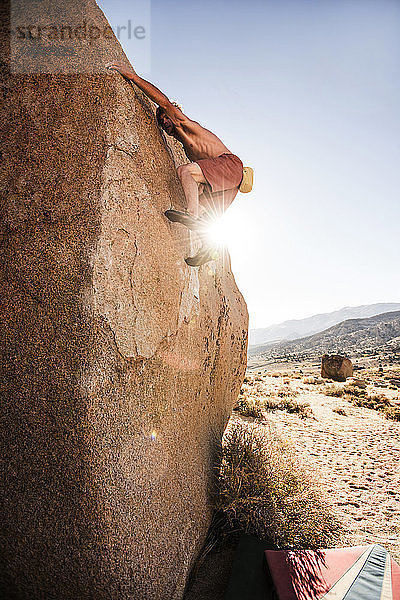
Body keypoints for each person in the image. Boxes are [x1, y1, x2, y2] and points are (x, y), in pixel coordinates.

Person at [107, 62, 244, 266]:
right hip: (228, 184)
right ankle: (209, 247)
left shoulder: (184, 122)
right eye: (161, 123)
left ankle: (194, 216)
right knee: (201, 207)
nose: (164, 124)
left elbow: (162, 100)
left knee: (185, 172)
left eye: (165, 118)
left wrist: (134, 78)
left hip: (231, 166)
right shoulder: (186, 145)